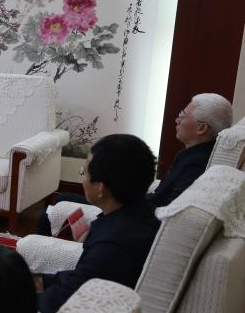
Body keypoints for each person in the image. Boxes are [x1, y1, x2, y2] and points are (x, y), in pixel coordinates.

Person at [36, 93, 232, 235]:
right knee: (63, 198)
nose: (176, 120)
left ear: (201, 128)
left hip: (135, 217)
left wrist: (127, 201)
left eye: (182, 115)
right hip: (140, 206)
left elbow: (170, 212)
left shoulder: (196, 165)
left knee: (50, 212)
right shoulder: (196, 154)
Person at [37, 134, 161, 313]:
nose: (83, 179)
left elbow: (63, 301)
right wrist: (40, 280)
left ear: (100, 188)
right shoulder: (137, 214)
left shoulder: (114, 243)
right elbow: (83, 276)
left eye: (85, 173)